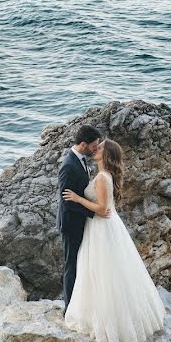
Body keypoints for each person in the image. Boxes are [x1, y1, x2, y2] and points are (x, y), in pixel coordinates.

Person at [61, 138, 166, 342]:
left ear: (105, 154)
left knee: (102, 272)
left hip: (101, 227)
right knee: (107, 272)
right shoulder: (104, 176)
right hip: (105, 226)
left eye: (99, 148)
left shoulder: (101, 177)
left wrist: (77, 198)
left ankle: (108, 321)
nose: (95, 149)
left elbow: (101, 209)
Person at [57, 125, 105, 314]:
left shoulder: (81, 160)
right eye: (94, 145)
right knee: (71, 265)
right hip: (71, 224)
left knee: (81, 263)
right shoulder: (69, 165)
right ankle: (69, 308)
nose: (96, 148)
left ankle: (80, 304)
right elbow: (67, 201)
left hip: (81, 221)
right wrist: (94, 213)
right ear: (83, 144)